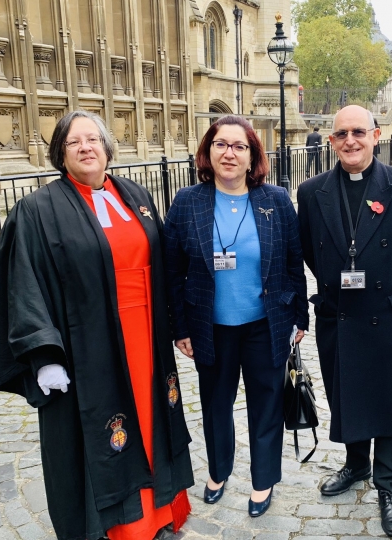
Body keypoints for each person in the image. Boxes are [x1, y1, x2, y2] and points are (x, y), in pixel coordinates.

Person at [0, 110, 194, 540]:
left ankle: (160, 512)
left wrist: (178, 323)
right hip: (88, 345)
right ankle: (121, 527)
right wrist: (43, 355)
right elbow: (23, 282)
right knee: (107, 429)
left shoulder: (134, 193)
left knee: (153, 416)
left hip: (145, 336)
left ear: (106, 147)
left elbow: (163, 264)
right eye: (74, 142)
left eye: (93, 140)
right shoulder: (37, 210)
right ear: (60, 153)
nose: (86, 148)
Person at [163, 115, 308, 518]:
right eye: (221, 144)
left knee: (266, 405)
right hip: (210, 327)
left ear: (252, 157)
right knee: (216, 404)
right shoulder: (186, 202)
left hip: (266, 324)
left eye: (239, 146)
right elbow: (172, 271)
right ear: (208, 152)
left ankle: (263, 480)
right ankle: (218, 471)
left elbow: (294, 261)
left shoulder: (275, 200)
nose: (230, 153)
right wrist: (180, 328)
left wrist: (300, 317)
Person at [296, 105, 392, 537]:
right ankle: (356, 464)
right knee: (347, 390)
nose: (350, 140)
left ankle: (389, 487)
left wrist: (384, 278)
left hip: (386, 311)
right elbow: (309, 253)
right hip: (339, 312)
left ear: (376, 135)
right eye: (341, 134)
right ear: (331, 141)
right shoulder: (311, 191)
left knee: (389, 398)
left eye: (359, 132)